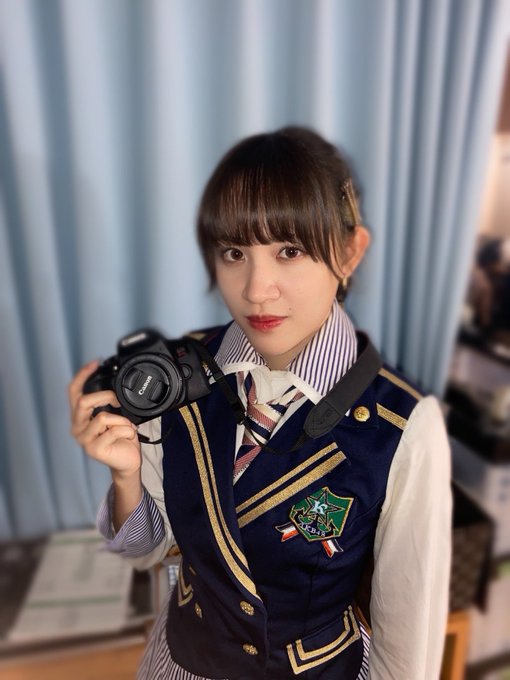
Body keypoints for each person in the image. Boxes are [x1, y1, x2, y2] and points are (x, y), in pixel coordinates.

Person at [68, 127, 452, 679]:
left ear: (349, 251)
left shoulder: (403, 424)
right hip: (178, 662)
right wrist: (126, 476)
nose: (255, 289)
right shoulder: (182, 372)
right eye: (234, 253)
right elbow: (145, 550)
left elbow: (408, 648)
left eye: (289, 251)